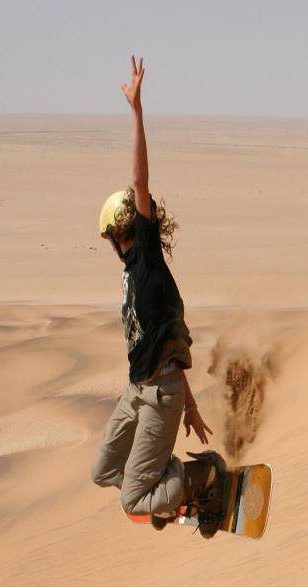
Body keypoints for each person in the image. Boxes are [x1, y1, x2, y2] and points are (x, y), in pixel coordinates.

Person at [90, 56, 224, 535]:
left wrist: (136, 111)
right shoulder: (131, 275)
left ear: (115, 233)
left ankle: (197, 477)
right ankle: (165, 489)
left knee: (132, 501)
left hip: (157, 395)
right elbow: (166, 342)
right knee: (103, 471)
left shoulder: (144, 256)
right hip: (138, 390)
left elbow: (140, 181)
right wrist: (190, 405)